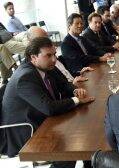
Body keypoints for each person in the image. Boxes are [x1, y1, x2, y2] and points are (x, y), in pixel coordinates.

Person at [1, 37, 95, 168]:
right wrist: (77, 100)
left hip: (42, 117)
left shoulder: (47, 66)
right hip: (25, 128)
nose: (54, 59)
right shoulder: (25, 77)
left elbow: (64, 84)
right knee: (67, 150)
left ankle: (89, 163)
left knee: (87, 128)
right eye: (48, 55)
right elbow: (49, 108)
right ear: (33, 57)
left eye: (55, 54)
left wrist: (75, 91)